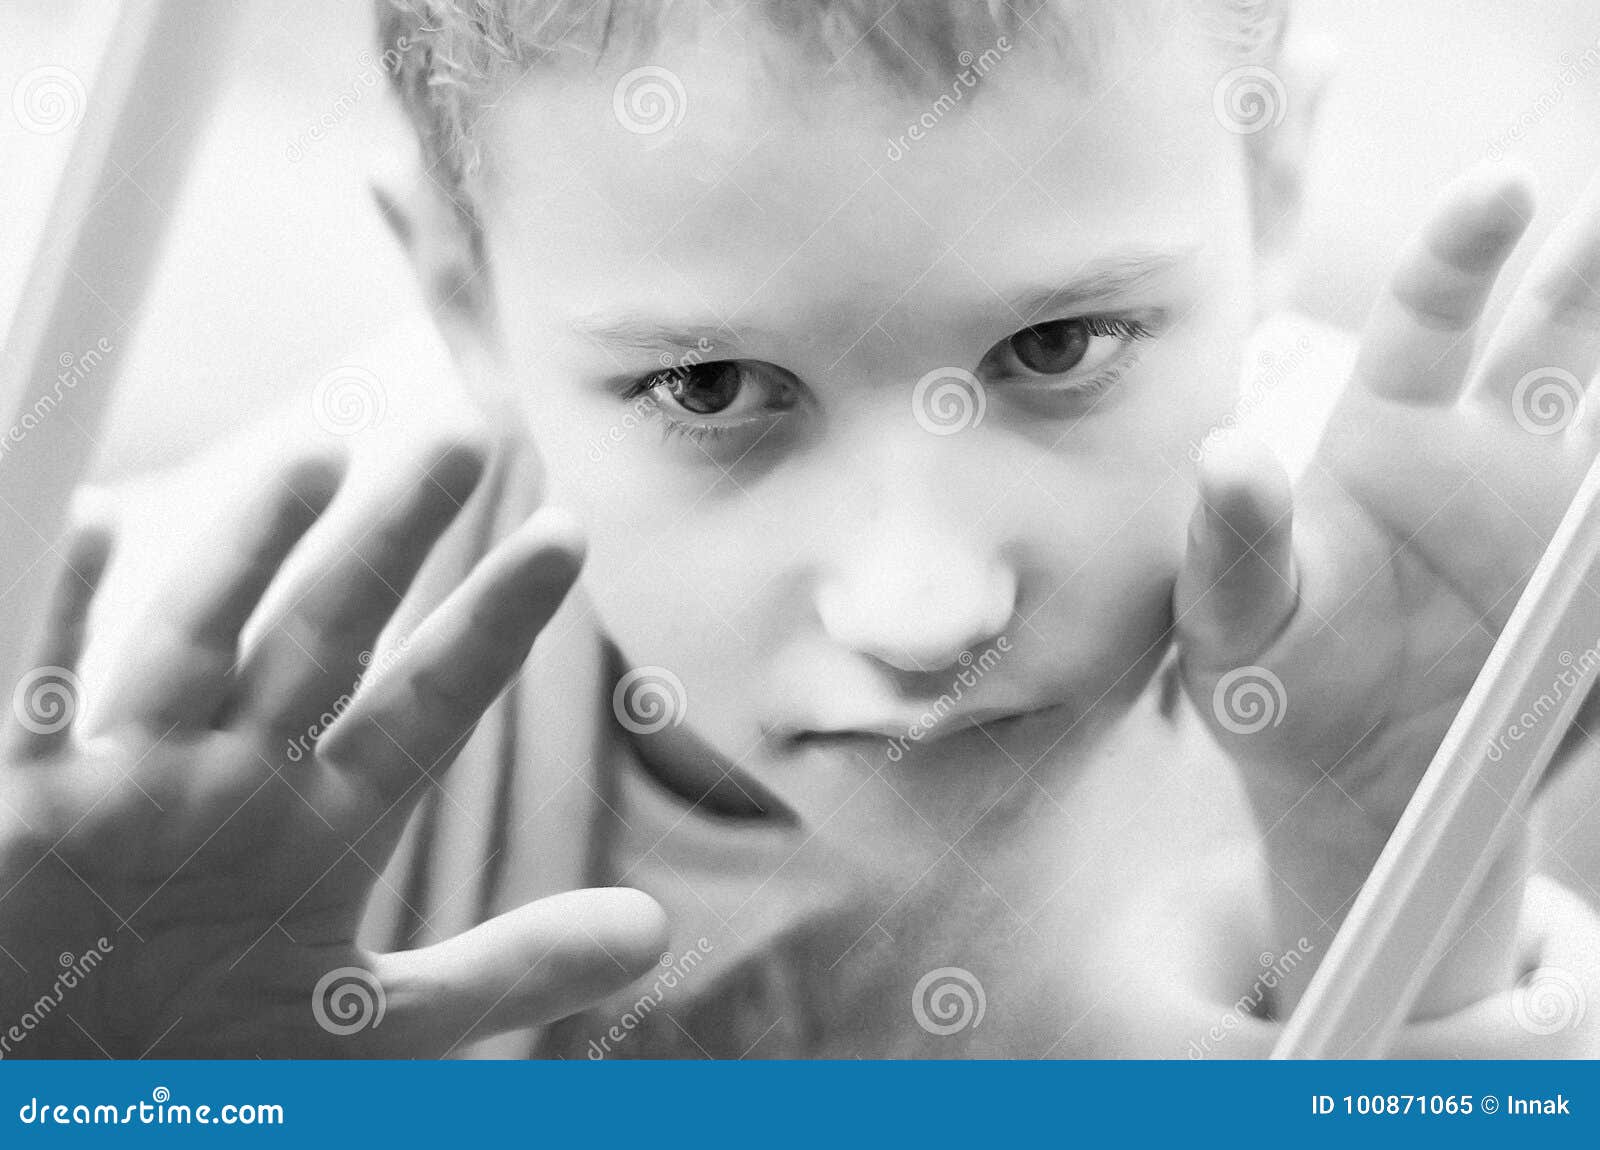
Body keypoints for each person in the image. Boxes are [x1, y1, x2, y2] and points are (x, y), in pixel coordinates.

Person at [3, 0, 1599, 1058]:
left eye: (1058, 350)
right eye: (710, 385)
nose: (923, 609)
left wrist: (1396, 851)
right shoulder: (167, 768)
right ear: (455, 290)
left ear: (1274, 178)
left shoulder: (1446, 601)